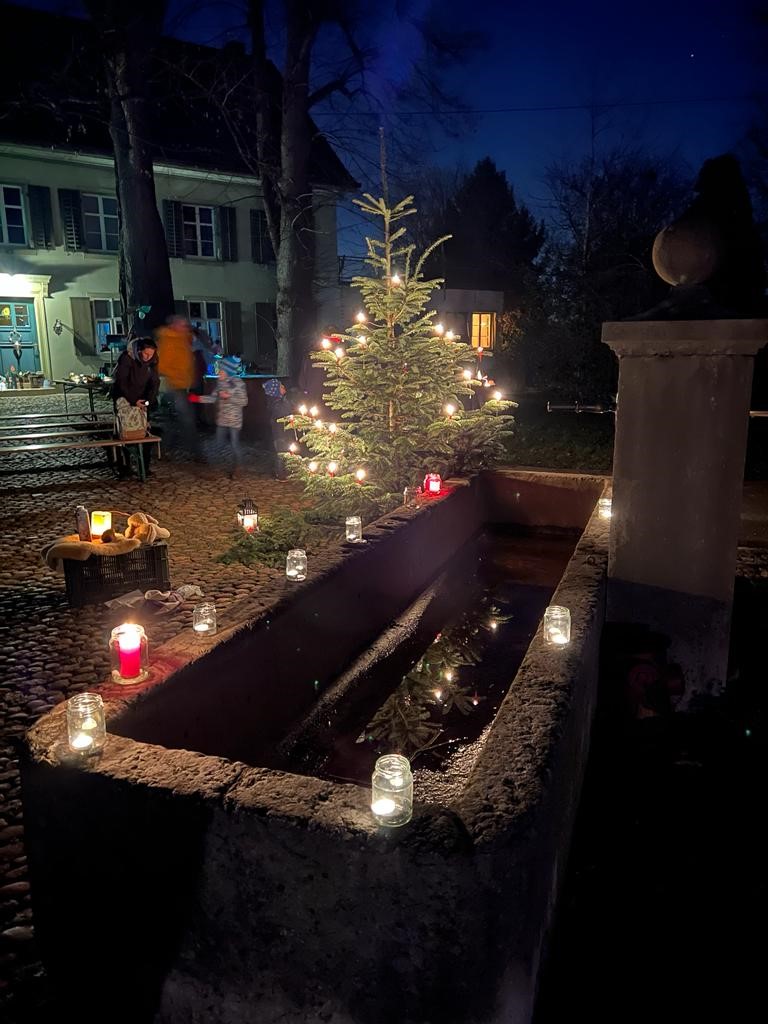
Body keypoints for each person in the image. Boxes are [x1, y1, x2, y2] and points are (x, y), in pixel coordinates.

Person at [155, 315, 203, 460]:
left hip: (184, 386)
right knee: (186, 419)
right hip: (175, 386)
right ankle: (195, 452)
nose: (185, 327)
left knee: (175, 420)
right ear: (174, 326)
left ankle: (164, 449)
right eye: (182, 325)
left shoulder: (183, 339)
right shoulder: (169, 341)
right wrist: (178, 377)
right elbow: (162, 366)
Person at [110, 337, 159, 478]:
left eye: (151, 354)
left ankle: (144, 467)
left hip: (142, 399)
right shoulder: (127, 358)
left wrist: (148, 402)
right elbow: (122, 382)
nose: (148, 357)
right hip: (124, 400)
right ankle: (124, 467)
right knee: (124, 432)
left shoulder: (153, 360)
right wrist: (133, 400)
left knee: (145, 430)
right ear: (139, 351)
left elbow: (154, 382)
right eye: (146, 354)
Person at [211, 355, 248, 478]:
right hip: (222, 420)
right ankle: (214, 467)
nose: (219, 373)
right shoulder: (220, 383)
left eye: (221, 371)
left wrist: (229, 397)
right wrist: (196, 399)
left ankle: (239, 467)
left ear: (228, 371)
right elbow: (213, 398)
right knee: (218, 443)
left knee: (234, 444)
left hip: (234, 421)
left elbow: (244, 401)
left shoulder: (238, 383)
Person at [262, 377, 291, 480]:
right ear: (276, 391)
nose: (284, 387)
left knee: (283, 451)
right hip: (279, 433)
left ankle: (284, 471)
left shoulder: (280, 401)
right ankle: (280, 473)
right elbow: (285, 412)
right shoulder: (276, 404)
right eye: (281, 387)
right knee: (280, 452)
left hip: (282, 432)